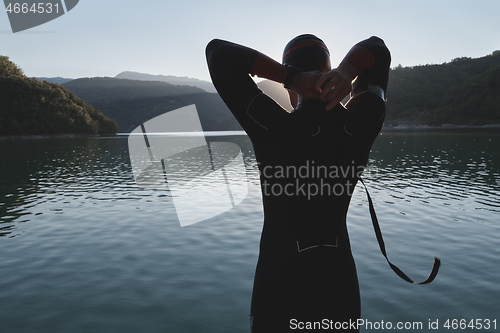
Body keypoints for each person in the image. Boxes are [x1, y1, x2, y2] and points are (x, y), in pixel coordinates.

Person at [206, 34, 390, 332]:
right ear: (330, 73)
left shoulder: (273, 125)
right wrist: (346, 72)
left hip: (280, 283)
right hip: (339, 282)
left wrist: (289, 76)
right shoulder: (362, 122)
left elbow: (217, 53)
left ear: (292, 88)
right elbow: (378, 50)